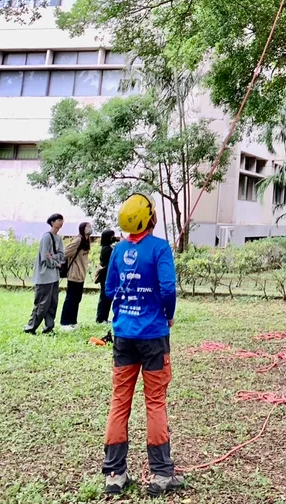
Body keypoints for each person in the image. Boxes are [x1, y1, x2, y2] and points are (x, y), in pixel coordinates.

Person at [102, 193, 183, 496]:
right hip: (152, 338)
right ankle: (161, 475)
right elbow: (167, 288)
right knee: (155, 402)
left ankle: (114, 474)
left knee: (120, 402)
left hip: (124, 336)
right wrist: (168, 315)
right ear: (149, 217)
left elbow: (110, 290)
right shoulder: (160, 248)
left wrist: (129, 296)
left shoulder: (118, 250)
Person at [24, 213, 66, 335]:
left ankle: (49, 328)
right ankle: (30, 327)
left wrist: (53, 257)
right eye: (58, 220)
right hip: (44, 276)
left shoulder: (58, 238)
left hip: (54, 276)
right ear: (52, 222)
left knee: (53, 303)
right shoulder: (46, 237)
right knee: (42, 304)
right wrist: (55, 262)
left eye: (62, 220)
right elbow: (44, 257)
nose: (61, 222)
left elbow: (61, 255)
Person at [60, 221, 93, 330]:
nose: (90, 228)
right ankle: (65, 323)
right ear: (82, 228)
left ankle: (73, 321)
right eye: (87, 227)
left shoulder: (87, 240)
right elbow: (65, 253)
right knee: (71, 299)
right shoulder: (78, 240)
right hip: (74, 274)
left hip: (81, 275)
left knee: (77, 299)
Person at [96, 229, 118, 325]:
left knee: (106, 297)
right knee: (104, 297)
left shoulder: (108, 248)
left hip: (107, 274)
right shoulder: (107, 249)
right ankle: (101, 318)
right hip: (105, 275)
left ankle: (103, 317)